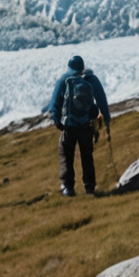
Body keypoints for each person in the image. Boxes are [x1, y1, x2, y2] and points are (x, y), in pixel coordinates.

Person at [47, 55, 109, 196]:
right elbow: (101, 100)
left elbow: (54, 103)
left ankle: (68, 188)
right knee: (87, 156)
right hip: (86, 125)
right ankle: (90, 187)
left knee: (66, 155)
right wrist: (107, 119)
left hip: (69, 127)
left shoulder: (64, 80)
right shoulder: (90, 79)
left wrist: (58, 121)